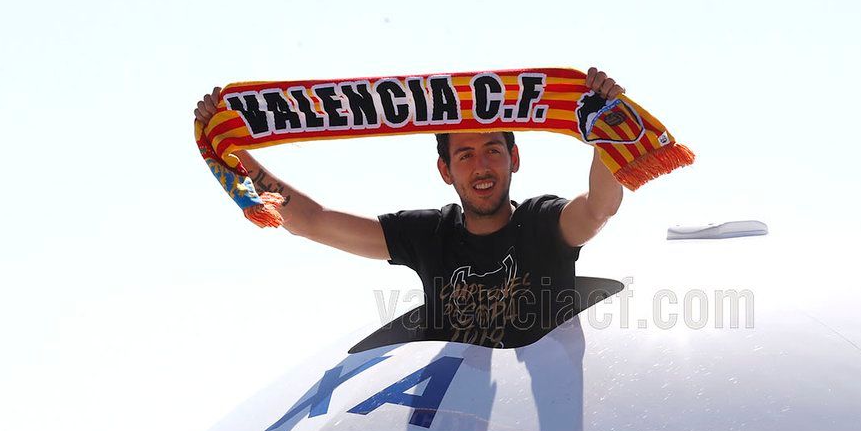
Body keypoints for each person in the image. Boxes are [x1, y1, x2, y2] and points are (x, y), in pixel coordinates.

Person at [193, 68, 627, 348]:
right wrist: (236, 154)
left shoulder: (541, 222)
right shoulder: (429, 235)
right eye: (465, 155)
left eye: (493, 150)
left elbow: (599, 208)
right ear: (445, 170)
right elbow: (311, 222)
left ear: (514, 159)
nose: (482, 167)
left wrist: (606, 128)